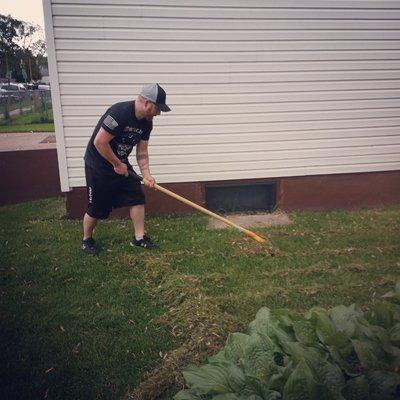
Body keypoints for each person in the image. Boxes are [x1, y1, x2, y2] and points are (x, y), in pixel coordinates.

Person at [81, 83, 171, 255]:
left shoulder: (147, 123)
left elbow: (142, 151)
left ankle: (139, 238)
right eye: (157, 108)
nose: (158, 113)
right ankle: (87, 239)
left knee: (136, 196)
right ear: (146, 103)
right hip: (98, 164)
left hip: (120, 162)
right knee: (97, 207)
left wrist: (147, 175)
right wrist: (116, 164)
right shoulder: (119, 113)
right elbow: (99, 142)